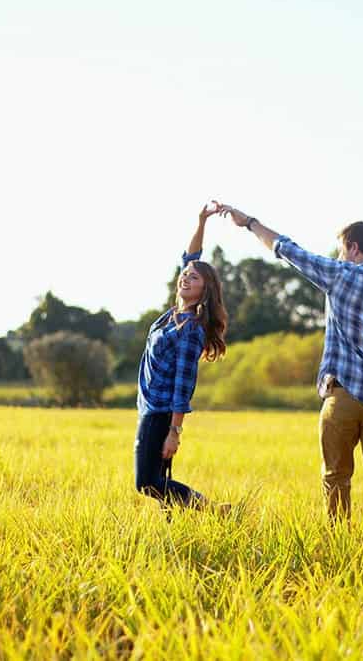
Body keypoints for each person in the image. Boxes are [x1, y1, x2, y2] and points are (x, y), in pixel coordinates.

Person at [216, 201, 363, 530]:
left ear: (353, 248)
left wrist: (250, 223)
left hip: (345, 395)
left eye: (343, 250)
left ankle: (338, 543)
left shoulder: (342, 275)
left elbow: (287, 250)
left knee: (337, 476)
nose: (341, 255)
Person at [134, 202, 229, 512]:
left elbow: (183, 384)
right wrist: (201, 221)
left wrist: (174, 432)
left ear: (206, 290)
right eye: (184, 275)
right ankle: (178, 532)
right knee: (157, 482)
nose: (186, 278)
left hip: (161, 413)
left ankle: (215, 510)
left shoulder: (191, 328)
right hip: (149, 409)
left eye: (195, 278)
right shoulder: (173, 315)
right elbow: (190, 257)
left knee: (146, 482)